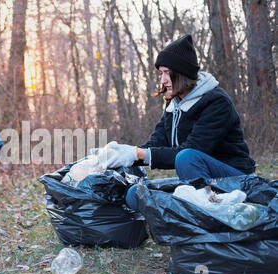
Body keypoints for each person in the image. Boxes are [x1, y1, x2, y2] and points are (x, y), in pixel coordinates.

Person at [99, 34, 255, 212]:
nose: (163, 80)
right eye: (161, 73)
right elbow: (156, 144)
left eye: (167, 73)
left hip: (235, 180)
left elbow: (194, 151)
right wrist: (122, 155)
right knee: (136, 194)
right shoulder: (174, 105)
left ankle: (209, 216)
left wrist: (139, 153)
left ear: (182, 73)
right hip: (200, 182)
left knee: (187, 157)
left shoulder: (216, 102)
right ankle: (188, 212)